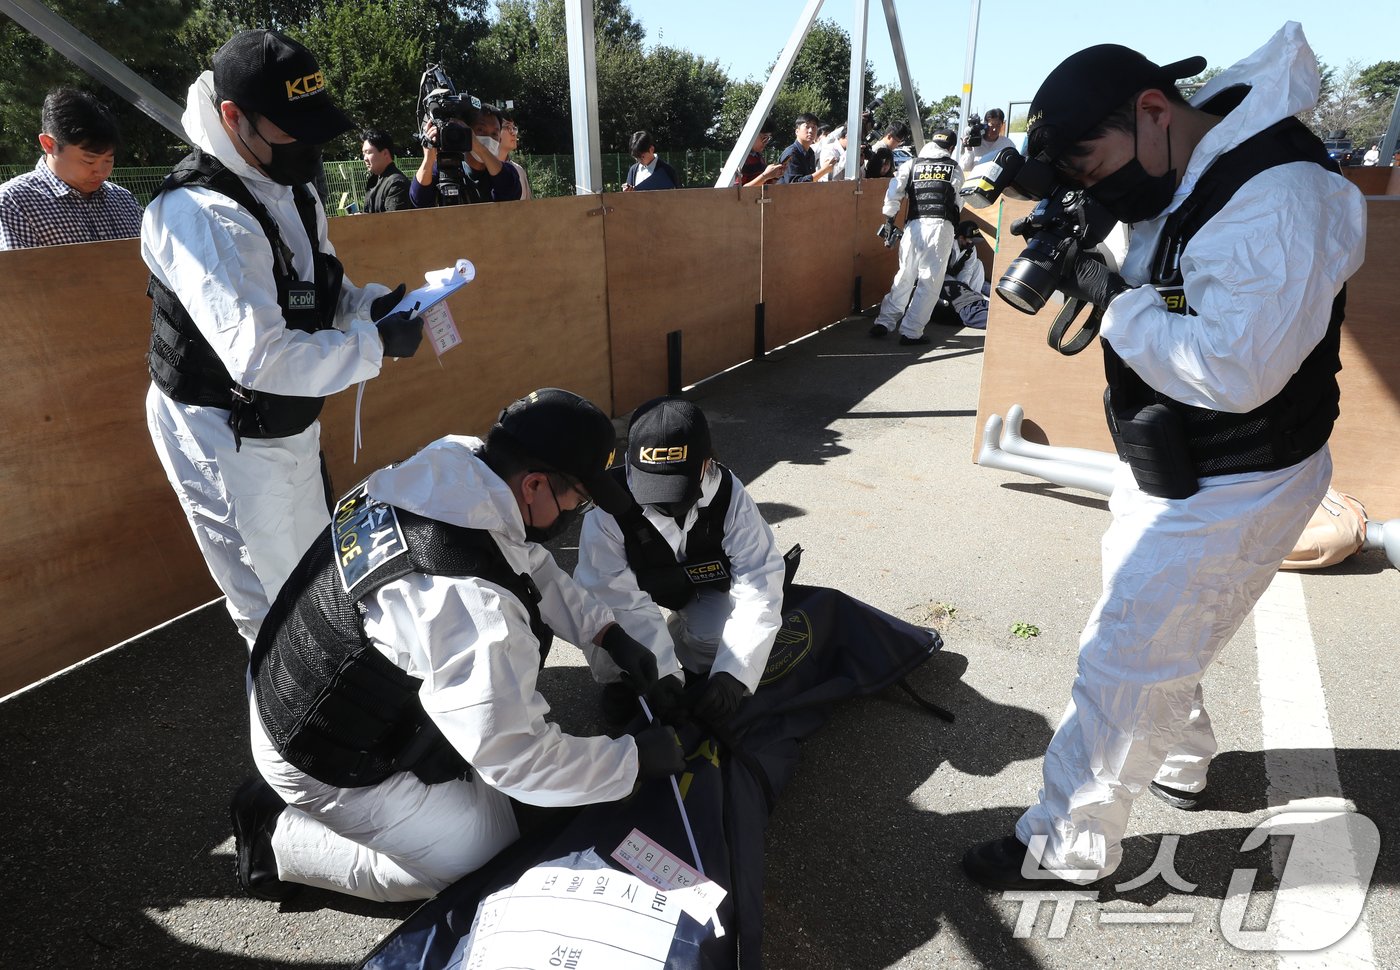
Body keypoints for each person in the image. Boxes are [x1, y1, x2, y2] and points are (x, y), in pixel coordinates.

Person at [961, 23, 1367, 891]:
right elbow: (1157, 246)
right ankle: (1181, 765)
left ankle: (1063, 848)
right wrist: (1077, 218)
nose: (1094, 187)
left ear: (1154, 112)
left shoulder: (1280, 193)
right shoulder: (1168, 164)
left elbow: (1235, 368)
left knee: (1125, 653)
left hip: (1241, 472)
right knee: (1152, 626)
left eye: (1092, 166)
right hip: (1174, 462)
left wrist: (1111, 304)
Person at [233, 388, 686, 903]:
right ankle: (277, 839)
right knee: (481, 856)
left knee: (491, 777)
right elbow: (518, 760)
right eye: (577, 499)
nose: (577, 511)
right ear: (534, 483)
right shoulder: (475, 610)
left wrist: (606, 632)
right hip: (318, 758)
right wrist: (630, 761)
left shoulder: (451, 464)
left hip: (290, 680)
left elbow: (523, 558)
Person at [142, 29, 424, 650]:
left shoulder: (290, 183)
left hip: (288, 415)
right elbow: (261, 356)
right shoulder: (200, 215)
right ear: (232, 117)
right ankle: (292, 737)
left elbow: (319, 284)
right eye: (292, 128)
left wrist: (370, 305)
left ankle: (339, 704)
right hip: (225, 432)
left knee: (317, 574)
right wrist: (373, 347)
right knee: (271, 607)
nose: (310, 146)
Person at [574, 397, 786, 727]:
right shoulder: (608, 506)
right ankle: (626, 681)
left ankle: (687, 661)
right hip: (634, 587)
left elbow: (759, 581)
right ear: (630, 464)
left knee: (718, 641)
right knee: (602, 621)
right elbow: (612, 596)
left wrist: (735, 673)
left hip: (702, 589)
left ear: (706, 464)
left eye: (679, 487)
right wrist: (658, 673)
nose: (667, 503)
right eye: (654, 487)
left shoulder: (731, 495)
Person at [0, 87, 142, 249]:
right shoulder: (14, 202)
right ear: (49, 144)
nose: (102, 172)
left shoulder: (124, 200)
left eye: (109, 160)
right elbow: (18, 273)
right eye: (89, 161)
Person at [868, 129, 964, 345]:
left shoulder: (912, 163)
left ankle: (884, 322)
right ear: (951, 148)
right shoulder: (954, 168)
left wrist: (889, 219)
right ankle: (911, 332)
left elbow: (895, 191)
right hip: (940, 227)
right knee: (928, 282)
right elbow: (958, 201)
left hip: (913, 227)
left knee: (904, 275)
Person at [410, 103, 522, 206]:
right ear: (466, 131)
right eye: (480, 130)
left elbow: (511, 192)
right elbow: (419, 200)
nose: (488, 138)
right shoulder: (445, 168)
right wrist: (428, 158)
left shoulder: (507, 171)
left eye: (494, 133)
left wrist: (479, 148)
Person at [935, 220, 989, 329]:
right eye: (971, 240)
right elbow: (937, 270)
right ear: (961, 238)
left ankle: (974, 297)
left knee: (978, 264)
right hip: (941, 277)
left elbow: (967, 270)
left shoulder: (971, 249)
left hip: (957, 278)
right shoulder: (947, 245)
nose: (973, 244)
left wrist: (965, 287)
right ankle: (964, 300)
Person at [360, 129, 411, 212]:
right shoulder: (374, 180)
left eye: (368, 152)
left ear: (385, 153)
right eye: (363, 154)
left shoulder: (397, 183)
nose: (365, 158)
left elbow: (392, 222)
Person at [779, 114, 838, 183]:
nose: (810, 131)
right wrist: (824, 170)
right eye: (807, 127)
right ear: (797, 131)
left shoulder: (810, 152)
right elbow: (794, 184)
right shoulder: (791, 153)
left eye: (813, 127)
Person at [958, 107, 1016, 172]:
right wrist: (969, 150)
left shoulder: (1007, 144)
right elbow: (964, 168)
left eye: (998, 125)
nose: (994, 129)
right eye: (992, 125)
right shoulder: (974, 141)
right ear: (985, 125)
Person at [734, 117, 785, 187]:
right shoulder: (739, 159)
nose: (766, 142)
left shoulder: (758, 156)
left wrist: (775, 175)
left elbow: (765, 184)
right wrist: (765, 176)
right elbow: (739, 191)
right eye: (764, 138)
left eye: (768, 138)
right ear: (750, 135)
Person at [497, 112, 532, 199]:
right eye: (508, 127)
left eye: (514, 128)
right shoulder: (481, 168)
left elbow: (529, 208)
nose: (514, 133)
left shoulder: (519, 171)